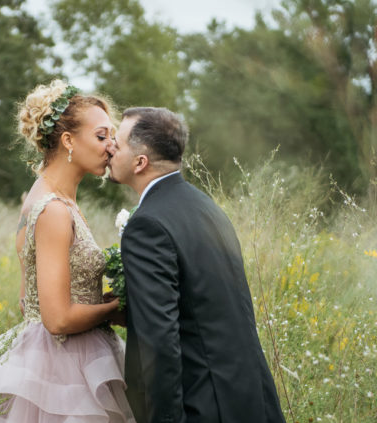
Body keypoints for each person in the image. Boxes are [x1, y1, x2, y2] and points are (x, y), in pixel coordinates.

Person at [0, 80, 134, 422]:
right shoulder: (53, 209)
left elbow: (27, 300)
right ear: (68, 140)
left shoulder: (44, 198)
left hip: (58, 355)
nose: (112, 147)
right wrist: (120, 305)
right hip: (66, 365)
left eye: (112, 137)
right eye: (101, 136)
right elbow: (57, 320)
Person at [106, 107, 284, 422]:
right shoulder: (207, 208)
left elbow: (158, 341)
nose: (109, 148)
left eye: (117, 144)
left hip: (203, 405)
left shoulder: (147, 225)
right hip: (249, 397)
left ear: (140, 162)